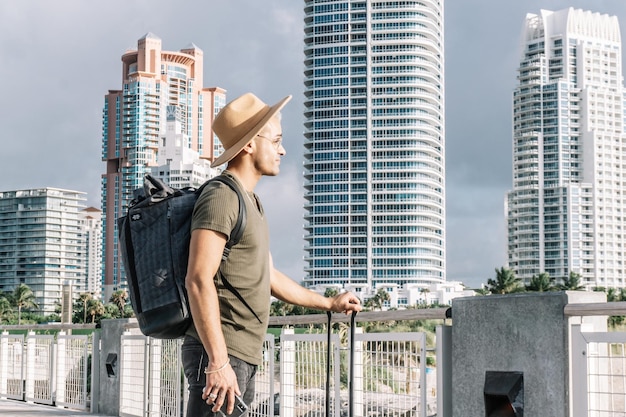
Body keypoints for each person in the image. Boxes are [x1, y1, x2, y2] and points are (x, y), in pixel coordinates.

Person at [182, 92, 362, 416]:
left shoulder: (251, 202)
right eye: (276, 140)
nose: (282, 149)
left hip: (242, 356)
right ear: (250, 143)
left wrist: (328, 303)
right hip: (222, 354)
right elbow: (198, 278)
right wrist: (219, 360)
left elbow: (269, 277)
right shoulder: (222, 196)